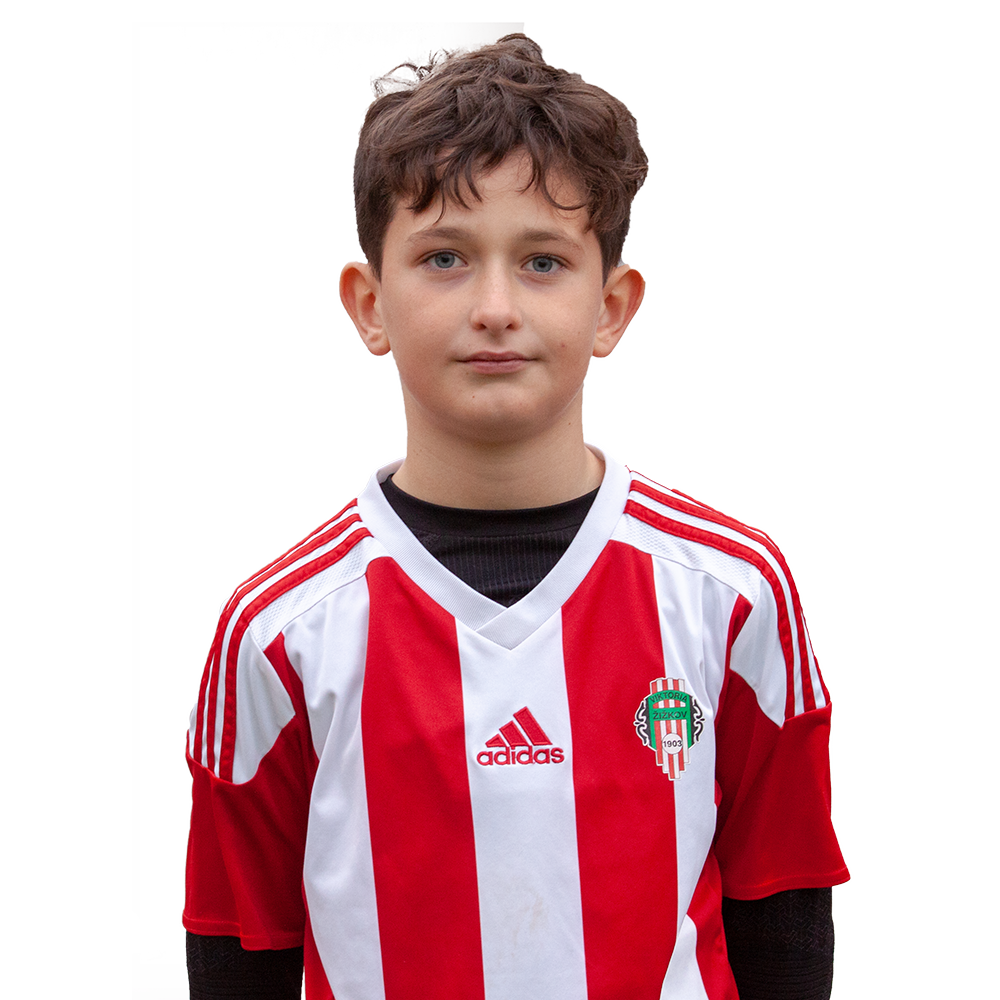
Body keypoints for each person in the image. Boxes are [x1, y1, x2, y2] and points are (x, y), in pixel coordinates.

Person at [182, 33, 849, 1000]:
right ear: (369, 305)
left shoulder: (733, 592)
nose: (494, 306)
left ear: (612, 306)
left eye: (542, 261)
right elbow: (243, 946)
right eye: (444, 257)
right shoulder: (277, 633)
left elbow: (781, 907)